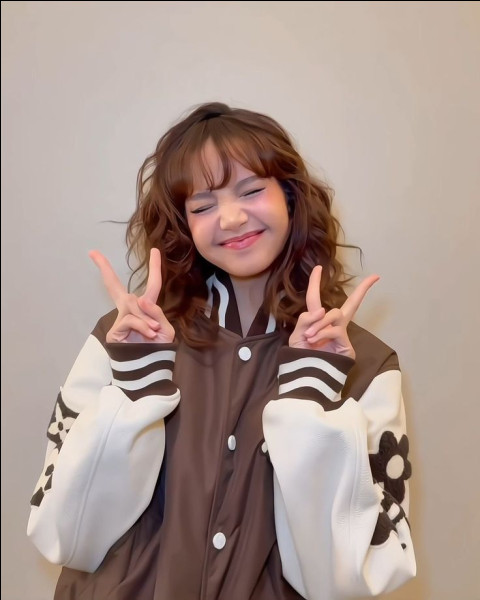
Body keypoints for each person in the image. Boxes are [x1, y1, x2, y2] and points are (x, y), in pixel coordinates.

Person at [27, 102, 416, 600]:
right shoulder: (124, 340)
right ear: (183, 224)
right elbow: (66, 537)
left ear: (291, 198)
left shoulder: (366, 365)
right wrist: (135, 388)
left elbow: (348, 581)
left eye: (251, 191)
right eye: (203, 206)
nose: (230, 218)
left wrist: (311, 400)